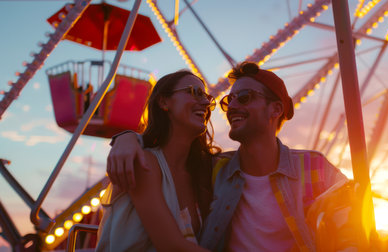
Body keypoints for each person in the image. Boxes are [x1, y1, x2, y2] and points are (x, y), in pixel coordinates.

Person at [107, 62, 360, 251]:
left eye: (245, 97)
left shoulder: (313, 167)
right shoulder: (216, 171)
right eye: (230, 100)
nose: (231, 106)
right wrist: (127, 137)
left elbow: (354, 232)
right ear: (164, 102)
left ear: (276, 109)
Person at [96, 70, 219, 251]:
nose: (206, 102)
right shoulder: (144, 163)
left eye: (207, 97)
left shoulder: (202, 171)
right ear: (163, 102)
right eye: (194, 92)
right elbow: (171, 245)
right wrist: (126, 137)